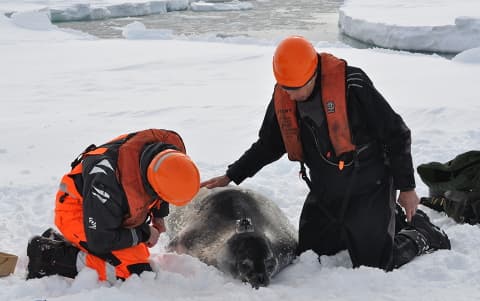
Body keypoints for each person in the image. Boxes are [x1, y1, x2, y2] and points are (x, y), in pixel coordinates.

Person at [201, 36, 450, 270]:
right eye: (285, 86)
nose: (290, 94)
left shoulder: (353, 85)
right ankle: (381, 220)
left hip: (368, 188)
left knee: (375, 264)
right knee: (310, 254)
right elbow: (268, 145)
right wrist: (232, 175)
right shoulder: (285, 95)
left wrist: (406, 188)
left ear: (314, 73)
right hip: (326, 192)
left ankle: (421, 232)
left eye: (296, 88)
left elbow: (396, 133)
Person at [27, 128, 200, 282]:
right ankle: (46, 254)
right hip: (77, 212)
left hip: (106, 212)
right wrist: (145, 233)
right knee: (132, 272)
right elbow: (101, 239)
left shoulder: (166, 155)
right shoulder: (106, 183)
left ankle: (69, 244)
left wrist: (159, 215)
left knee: (140, 256)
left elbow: (162, 189)